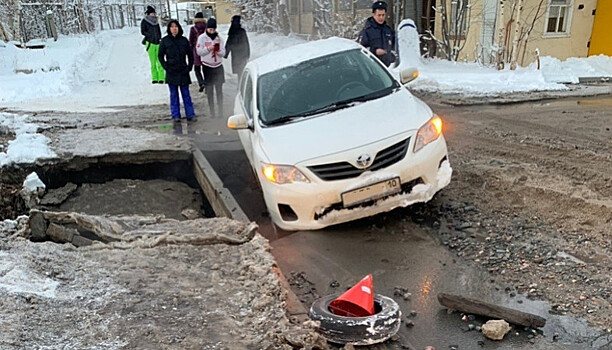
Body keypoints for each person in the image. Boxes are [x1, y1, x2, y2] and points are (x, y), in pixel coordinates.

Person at [158, 20, 196, 121]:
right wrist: (166, 67)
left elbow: (190, 55)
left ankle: (190, 114)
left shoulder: (184, 40)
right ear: (169, 29)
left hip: (183, 71)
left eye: (176, 26)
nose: (174, 29)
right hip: (171, 72)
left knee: (186, 94)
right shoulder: (165, 41)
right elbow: (160, 56)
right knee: (174, 95)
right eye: (172, 27)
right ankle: (176, 115)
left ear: (179, 28)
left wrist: (189, 67)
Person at [196, 18, 226, 118]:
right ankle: (212, 112)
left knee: (219, 90)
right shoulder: (202, 38)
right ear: (207, 29)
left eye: (213, 29)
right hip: (207, 66)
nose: (211, 31)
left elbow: (223, 53)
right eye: (210, 29)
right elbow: (199, 52)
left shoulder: (219, 38)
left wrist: (217, 50)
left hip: (218, 66)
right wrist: (209, 48)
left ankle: (221, 111)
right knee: (209, 90)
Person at [358, 1, 396, 67]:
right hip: (372, 67)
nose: (381, 18)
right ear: (374, 15)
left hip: (388, 68)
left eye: (383, 15)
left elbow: (394, 47)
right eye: (379, 15)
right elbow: (361, 50)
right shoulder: (367, 31)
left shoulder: (388, 30)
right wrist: (374, 51)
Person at [141, 6, 165, 83]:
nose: (154, 14)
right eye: (152, 13)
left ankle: (161, 78)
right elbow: (142, 31)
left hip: (158, 43)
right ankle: (154, 78)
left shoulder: (156, 22)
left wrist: (159, 38)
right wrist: (149, 35)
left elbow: (159, 31)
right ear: (148, 14)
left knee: (160, 61)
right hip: (150, 43)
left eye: (154, 13)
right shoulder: (144, 21)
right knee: (153, 62)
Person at [224, 15, 250, 82]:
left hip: (235, 55)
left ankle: (240, 86)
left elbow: (229, 43)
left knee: (239, 71)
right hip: (243, 54)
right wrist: (247, 54)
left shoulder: (232, 31)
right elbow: (246, 43)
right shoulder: (242, 31)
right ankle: (242, 85)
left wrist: (225, 53)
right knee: (242, 71)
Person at [188, 12, 207, 92]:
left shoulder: (193, 28)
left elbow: (191, 41)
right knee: (206, 68)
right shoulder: (207, 27)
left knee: (197, 69)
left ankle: (201, 83)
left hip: (196, 50)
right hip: (206, 50)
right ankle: (207, 84)